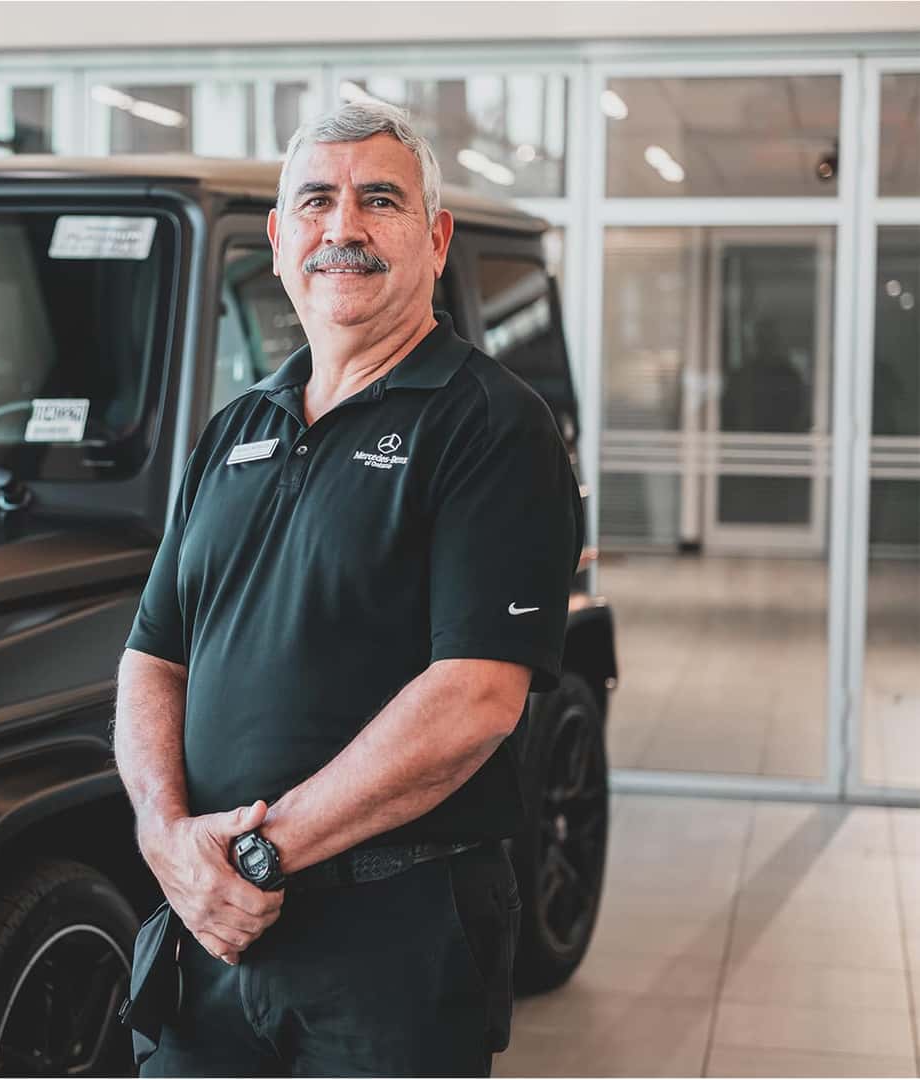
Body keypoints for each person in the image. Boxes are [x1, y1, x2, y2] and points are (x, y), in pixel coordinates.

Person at [113, 100, 584, 1077]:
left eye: (380, 200)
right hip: (213, 930)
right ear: (280, 240)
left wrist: (255, 857)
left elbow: (476, 700)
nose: (344, 228)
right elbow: (152, 657)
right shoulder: (232, 430)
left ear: (435, 238)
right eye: (317, 201)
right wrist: (166, 842)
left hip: (394, 939)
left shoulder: (492, 427)